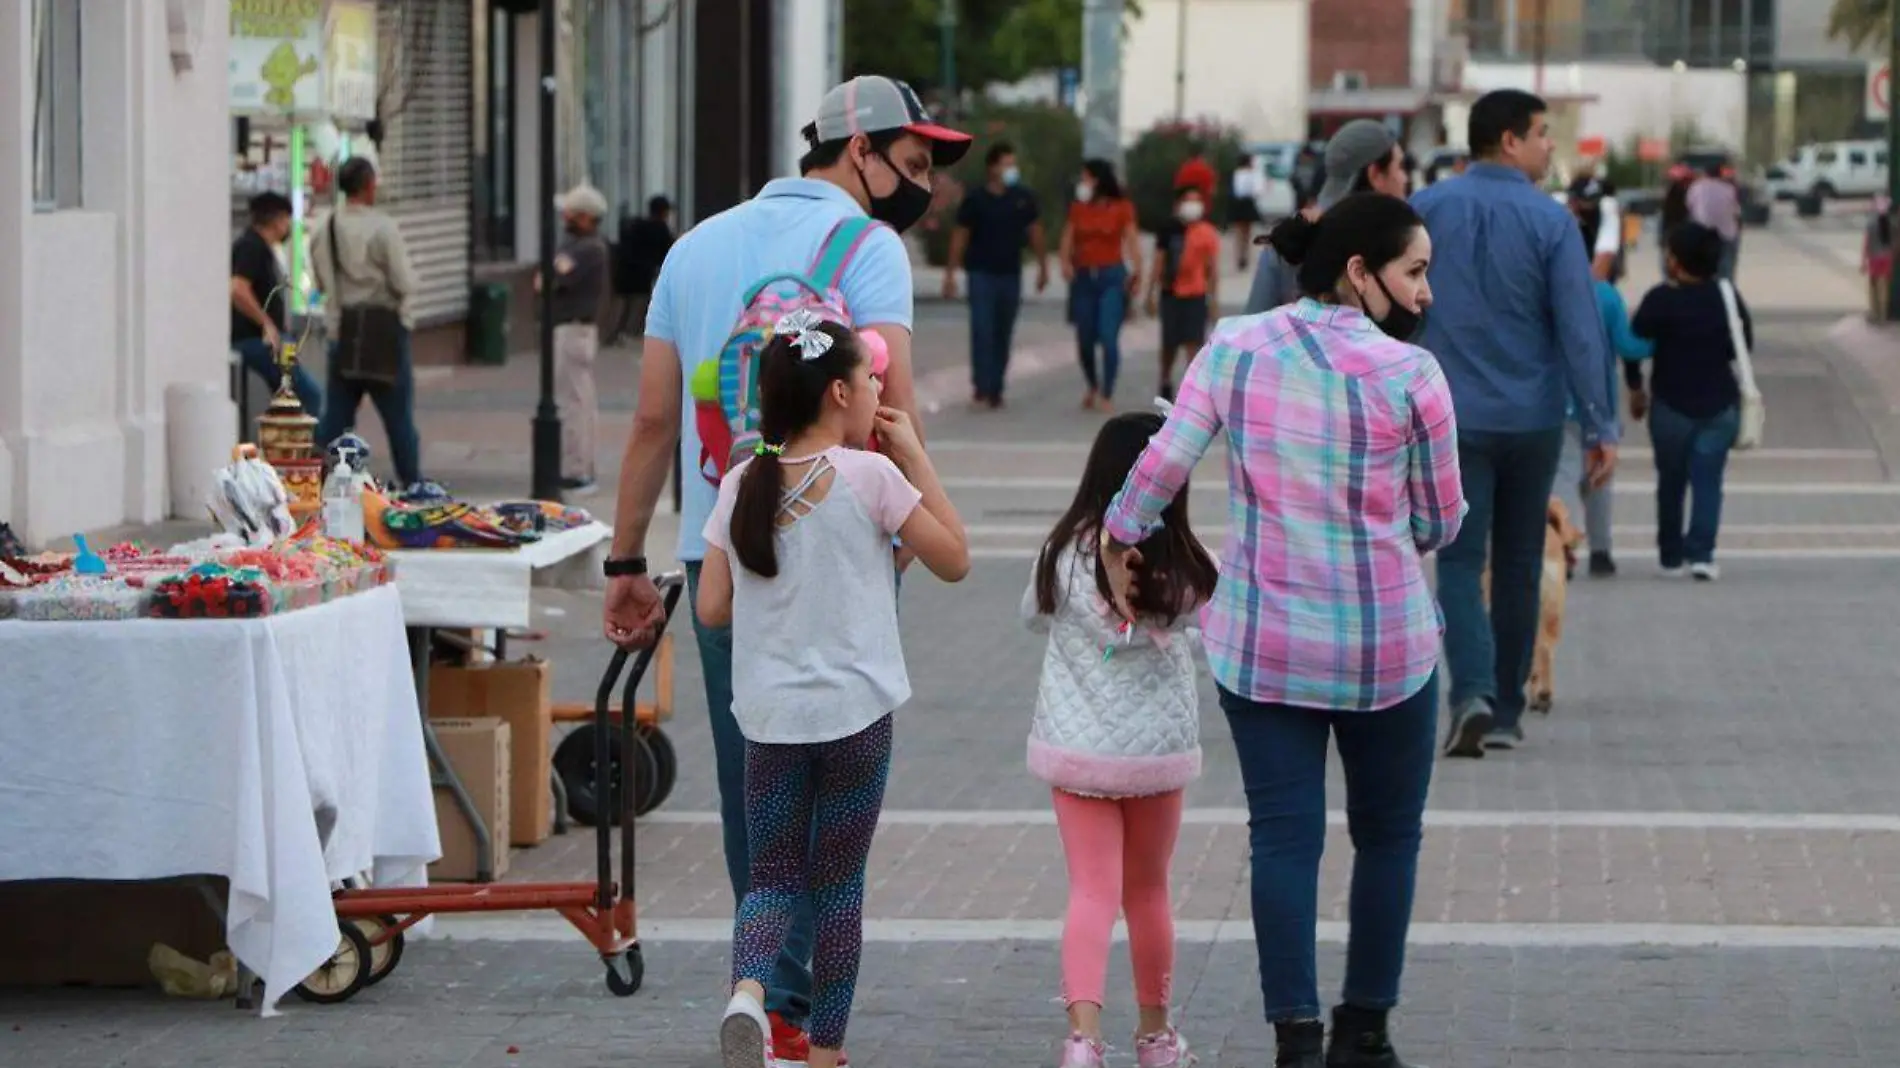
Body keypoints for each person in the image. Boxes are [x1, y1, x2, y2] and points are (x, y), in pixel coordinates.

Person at [600, 74, 968, 1066]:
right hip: (843, 542)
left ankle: (757, 991)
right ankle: (803, 1015)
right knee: (836, 813)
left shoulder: (692, 249)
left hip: (727, 538)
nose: (917, 185)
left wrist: (626, 557)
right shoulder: (871, 250)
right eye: (914, 162)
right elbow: (892, 408)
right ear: (858, 149)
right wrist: (906, 523)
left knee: (756, 795)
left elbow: (647, 421)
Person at [1099, 193, 1465, 1068]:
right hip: (1388, 652)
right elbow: (1441, 523)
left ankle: (1295, 1038)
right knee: (1388, 837)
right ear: (1359, 273)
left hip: (1263, 647)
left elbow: (1160, 466)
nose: (1425, 293)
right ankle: (1365, 1033)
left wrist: (1117, 533)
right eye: (1415, 272)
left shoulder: (1233, 346)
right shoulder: (1413, 377)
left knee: (1283, 838)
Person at [698, 315, 970, 1068]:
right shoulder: (874, 477)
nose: (882, 388)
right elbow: (955, 558)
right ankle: (824, 1053)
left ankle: (748, 993)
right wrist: (915, 456)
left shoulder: (742, 481)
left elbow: (712, 608)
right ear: (841, 390)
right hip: (855, 717)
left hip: (771, 717)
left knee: (773, 876)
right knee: (840, 886)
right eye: (872, 378)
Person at [1410, 89, 1618, 757]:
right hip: (1532, 419)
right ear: (1508, 141)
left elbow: (1395, 307)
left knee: (1462, 561)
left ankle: (1467, 690)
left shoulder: (1425, 211)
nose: (1549, 145)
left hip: (1451, 419)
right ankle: (1503, 708)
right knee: (1522, 559)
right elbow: (1581, 331)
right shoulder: (1551, 221)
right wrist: (1599, 425)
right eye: (1541, 134)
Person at [1021, 411, 1217, 1068]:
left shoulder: (1062, 553)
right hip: (1154, 758)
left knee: (1090, 891)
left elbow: (1030, 615)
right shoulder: (1186, 563)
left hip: (1078, 753)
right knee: (1150, 891)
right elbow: (1216, 636)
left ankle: (1082, 1041)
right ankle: (1156, 1037)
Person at [1625, 223, 1749, 582]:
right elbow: (1744, 343)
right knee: (1709, 480)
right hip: (1720, 405)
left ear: (1676, 262)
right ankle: (1702, 554)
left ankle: (1670, 556)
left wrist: (1636, 387)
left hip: (1670, 406)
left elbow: (1634, 345)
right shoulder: (1726, 295)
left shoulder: (1660, 300)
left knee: (1671, 482)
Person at [312, 156, 424, 488]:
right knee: (398, 419)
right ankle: (413, 485)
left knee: (336, 420)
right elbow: (404, 282)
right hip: (383, 333)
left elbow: (320, 282)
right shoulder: (382, 227)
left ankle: (321, 483)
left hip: (341, 331)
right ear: (368, 185)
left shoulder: (325, 226)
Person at [1554, 228, 1651, 578]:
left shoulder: (1548, 293)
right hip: (1600, 403)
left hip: (1557, 400)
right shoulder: (1608, 297)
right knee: (1599, 478)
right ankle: (1601, 550)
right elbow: (1628, 347)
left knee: (1563, 476)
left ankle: (1561, 547)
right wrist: (1657, 339)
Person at [1247, 120, 1409, 315]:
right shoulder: (1399, 245)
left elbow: (1252, 328)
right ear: (1375, 174)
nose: (1405, 178)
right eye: (1400, 167)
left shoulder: (1287, 239)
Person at [945, 142, 1050, 409]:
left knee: (1003, 332)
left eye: (1012, 164)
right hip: (981, 275)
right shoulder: (976, 199)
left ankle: (996, 387)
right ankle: (981, 385)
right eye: (1006, 163)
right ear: (992, 167)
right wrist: (951, 273)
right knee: (982, 330)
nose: (1010, 169)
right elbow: (961, 235)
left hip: (1010, 275)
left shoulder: (1023, 197)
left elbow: (1036, 232)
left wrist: (1043, 266)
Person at [536, 182, 612, 495]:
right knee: (579, 399)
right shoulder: (582, 246)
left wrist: (548, 276)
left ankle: (577, 470)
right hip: (575, 330)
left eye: (570, 212)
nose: (564, 217)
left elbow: (549, 279)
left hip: (573, 330)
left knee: (574, 402)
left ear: (584, 217)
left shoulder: (586, 249)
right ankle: (581, 467)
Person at [1060, 160, 1142, 412]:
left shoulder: (1122, 208)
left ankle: (1107, 390)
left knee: (1108, 336)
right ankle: (1092, 384)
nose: (1082, 184)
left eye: (1086, 178)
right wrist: (1065, 262)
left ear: (1098, 180)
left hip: (1111, 277)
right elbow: (1067, 238)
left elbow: (1131, 240)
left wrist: (1138, 271)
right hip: (1084, 277)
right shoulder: (1078, 208)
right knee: (1084, 338)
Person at [230, 191, 322, 414]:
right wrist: (267, 324)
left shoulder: (258, 246)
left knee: (289, 398)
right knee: (307, 394)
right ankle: (302, 446)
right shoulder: (252, 247)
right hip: (258, 339)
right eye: (287, 220)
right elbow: (238, 289)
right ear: (278, 219)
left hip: (269, 338)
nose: (288, 226)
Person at [1146, 185, 1223, 400]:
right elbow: (1159, 261)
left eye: (1196, 200)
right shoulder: (1169, 229)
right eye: (1188, 200)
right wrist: (1150, 293)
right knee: (1169, 343)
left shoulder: (1207, 233)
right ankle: (1165, 379)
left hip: (1195, 295)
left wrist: (1214, 300)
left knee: (1193, 343)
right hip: (1170, 293)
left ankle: (1191, 391)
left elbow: (1212, 270)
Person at [607, 194, 676, 345]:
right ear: (664, 211)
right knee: (640, 306)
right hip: (642, 274)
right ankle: (631, 333)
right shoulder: (660, 228)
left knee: (623, 305)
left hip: (624, 272)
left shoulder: (635, 225)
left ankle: (615, 334)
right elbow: (669, 250)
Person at [1686, 161, 1741, 282]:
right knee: (1727, 267)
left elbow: (1689, 207)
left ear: (1705, 174)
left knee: (1702, 267)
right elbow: (1736, 211)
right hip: (1726, 234)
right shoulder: (1729, 189)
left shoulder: (1695, 187)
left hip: (1702, 233)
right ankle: (1726, 290)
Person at [1231, 154, 1264, 270]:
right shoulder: (1252, 174)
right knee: (1247, 232)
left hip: (1239, 203)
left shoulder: (1237, 173)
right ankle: (1244, 255)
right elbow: (1257, 190)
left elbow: (1237, 189)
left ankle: (1240, 255)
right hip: (1248, 202)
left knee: (1239, 231)